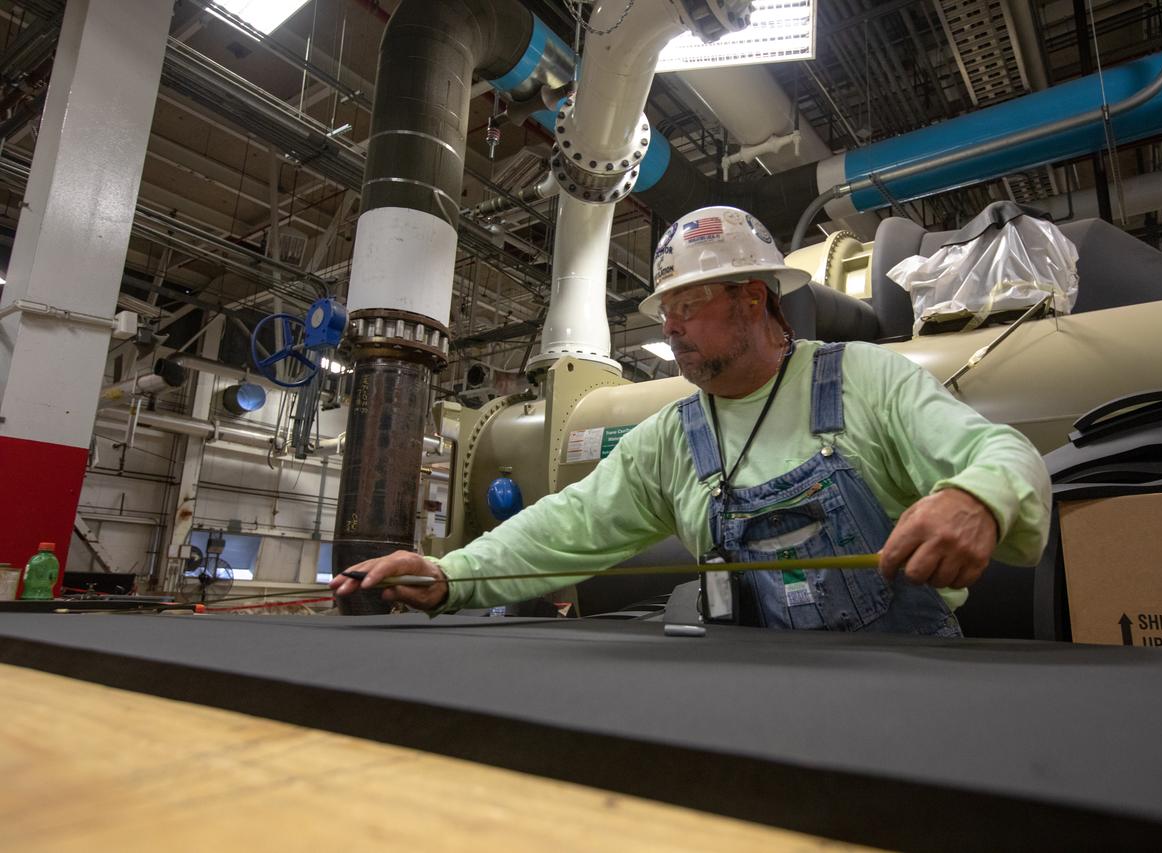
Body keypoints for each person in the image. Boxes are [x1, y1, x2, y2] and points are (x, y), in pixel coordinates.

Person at [333, 205, 1051, 635]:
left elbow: (1003, 452)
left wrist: (975, 496)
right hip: (754, 703)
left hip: (914, 691)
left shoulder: (866, 380)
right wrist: (448, 573)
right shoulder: (678, 439)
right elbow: (568, 526)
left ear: (753, 299)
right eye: (666, 311)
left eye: (688, 306)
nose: (671, 328)